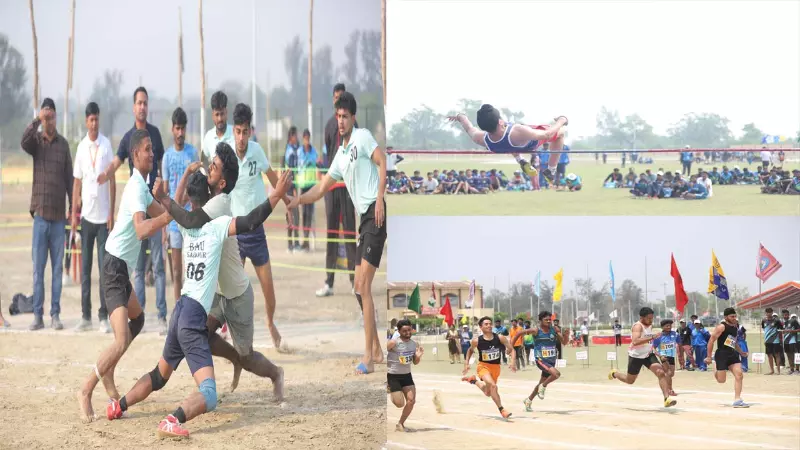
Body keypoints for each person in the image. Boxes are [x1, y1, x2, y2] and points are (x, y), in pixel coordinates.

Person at [106, 169, 292, 438]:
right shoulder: (217, 227)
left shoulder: (183, 223)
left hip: (179, 310)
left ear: (190, 199)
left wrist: (169, 192)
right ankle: (173, 419)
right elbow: (252, 220)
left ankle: (119, 406)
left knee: (159, 375)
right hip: (193, 317)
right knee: (209, 393)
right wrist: (276, 195)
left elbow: (175, 204)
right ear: (209, 197)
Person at [77, 129, 172, 423]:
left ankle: (108, 372)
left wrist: (172, 204)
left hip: (120, 268)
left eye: (152, 149)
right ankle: (86, 389)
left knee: (138, 320)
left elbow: (162, 211)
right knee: (120, 341)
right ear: (134, 155)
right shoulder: (134, 188)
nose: (152, 154)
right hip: (114, 267)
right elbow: (143, 229)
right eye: (147, 149)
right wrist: (168, 216)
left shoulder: (142, 186)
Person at [291, 92, 386, 374]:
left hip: (375, 217)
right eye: (338, 116)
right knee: (358, 288)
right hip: (363, 223)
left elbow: (382, 162)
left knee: (363, 287)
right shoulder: (341, 155)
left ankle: (369, 358)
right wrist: (297, 200)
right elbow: (321, 189)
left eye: (345, 116)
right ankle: (377, 349)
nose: (341, 121)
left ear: (353, 118)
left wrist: (380, 199)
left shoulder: (363, 137)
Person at [97, 86, 168, 334]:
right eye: (139, 102)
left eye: (145, 102)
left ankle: (161, 315)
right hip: (136, 212)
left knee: (158, 266)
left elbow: (161, 167)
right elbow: (116, 162)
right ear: (133, 107)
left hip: (150, 202)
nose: (142, 106)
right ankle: (133, 313)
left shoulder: (155, 133)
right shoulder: (128, 138)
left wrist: (169, 203)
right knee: (137, 269)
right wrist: (106, 174)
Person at [228, 103, 291, 351]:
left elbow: (274, 180)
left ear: (250, 131)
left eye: (245, 132)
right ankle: (230, 331)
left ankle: (270, 322)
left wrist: (288, 202)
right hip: (235, 232)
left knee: (269, 292)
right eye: (238, 132)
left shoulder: (256, 151)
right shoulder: (226, 154)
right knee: (232, 290)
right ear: (233, 131)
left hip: (256, 232)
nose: (241, 138)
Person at [21, 98, 74, 331]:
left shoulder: (63, 145)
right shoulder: (37, 143)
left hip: (59, 219)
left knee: (57, 271)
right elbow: (23, 141)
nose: (49, 121)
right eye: (46, 117)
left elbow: (70, 180)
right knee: (38, 270)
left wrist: (73, 208)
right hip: (41, 217)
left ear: (56, 117)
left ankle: (55, 314)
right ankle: (37, 315)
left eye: (51, 116)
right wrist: (36, 119)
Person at [72, 102, 114, 333]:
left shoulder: (106, 145)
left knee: (104, 269)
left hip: (103, 219)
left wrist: (112, 212)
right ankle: (85, 316)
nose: (94, 123)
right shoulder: (81, 148)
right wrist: (74, 215)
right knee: (86, 269)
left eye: (97, 119)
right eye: (91, 120)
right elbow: (76, 182)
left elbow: (112, 179)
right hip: (87, 218)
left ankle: (103, 316)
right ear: (86, 121)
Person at [447, 105, 568, 178]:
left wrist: (460, 117)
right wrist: (562, 120)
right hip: (529, 142)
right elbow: (547, 134)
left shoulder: (479, 138)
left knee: (506, 142)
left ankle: (520, 159)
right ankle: (551, 170)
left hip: (505, 145)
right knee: (560, 133)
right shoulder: (518, 130)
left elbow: (469, 128)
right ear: (500, 121)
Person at [317, 83, 357, 297]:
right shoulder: (329, 125)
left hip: (348, 186)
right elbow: (328, 152)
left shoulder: (354, 125)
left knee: (349, 233)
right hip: (332, 186)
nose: (338, 100)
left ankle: (355, 281)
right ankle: (329, 282)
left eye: (341, 97)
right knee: (331, 234)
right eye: (336, 98)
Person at [162, 107, 198, 305]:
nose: (180, 133)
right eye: (177, 128)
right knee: (176, 271)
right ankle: (178, 310)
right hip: (174, 222)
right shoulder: (167, 157)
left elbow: (198, 186)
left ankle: (192, 309)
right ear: (172, 129)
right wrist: (164, 226)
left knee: (192, 270)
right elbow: (165, 192)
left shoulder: (192, 153)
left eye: (183, 128)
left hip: (191, 219)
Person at [608, 307, 677, 408]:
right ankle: (614, 374)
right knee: (630, 380)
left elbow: (649, 342)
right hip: (636, 356)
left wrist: (656, 352)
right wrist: (652, 337)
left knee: (660, 372)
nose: (651, 320)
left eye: (652, 318)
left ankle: (667, 399)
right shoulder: (637, 327)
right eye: (649, 318)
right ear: (642, 317)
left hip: (648, 354)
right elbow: (635, 341)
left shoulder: (650, 325)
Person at [510, 311, 570, 411]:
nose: (548, 321)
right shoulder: (536, 330)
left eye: (549, 320)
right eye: (546, 320)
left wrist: (566, 335)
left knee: (541, 382)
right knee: (556, 374)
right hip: (541, 360)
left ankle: (528, 400)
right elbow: (519, 333)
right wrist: (510, 347)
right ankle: (543, 386)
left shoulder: (554, 329)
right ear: (540, 320)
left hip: (551, 361)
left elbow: (564, 342)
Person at [461, 316, 515, 420]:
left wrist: (513, 362)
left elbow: (512, 349)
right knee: (493, 386)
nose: (489, 325)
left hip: (496, 367)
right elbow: (470, 350)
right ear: (481, 327)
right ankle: (502, 410)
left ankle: (473, 381)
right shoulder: (476, 341)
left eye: (490, 324)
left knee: (488, 392)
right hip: (483, 367)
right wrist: (466, 363)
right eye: (486, 324)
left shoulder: (500, 338)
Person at [705, 308, 750, 407]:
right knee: (721, 380)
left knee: (739, 375)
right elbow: (711, 341)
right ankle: (715, 364)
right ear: (726, 317)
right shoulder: (721, 327)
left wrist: (741, 352)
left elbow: (733, 341)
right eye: (732, 316)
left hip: (732, 353)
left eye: (735, 316)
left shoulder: (735, 327)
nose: (734, 318)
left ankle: (737, 400)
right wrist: (708, 357)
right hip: (721, 354)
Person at [387, 319, 424, 432]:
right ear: (399, 331)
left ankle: (400, 424)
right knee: (399, 404)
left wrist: (418, 356)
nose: (407, 332)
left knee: (411, 401)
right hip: (393, 376)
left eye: (409, 330)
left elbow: (415, 362)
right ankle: (389, 387)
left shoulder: (414, 344)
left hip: (407, 376)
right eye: (404, 331)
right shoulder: (393, 343)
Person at [201, 91, 235, 166]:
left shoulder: (236, 133)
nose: (220, 119)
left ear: (226, 112)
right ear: (212, 115)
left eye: (222, 114)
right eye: (217, 114)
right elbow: (203, 160)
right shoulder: (208, 137)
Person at [652, 319, 679, 396]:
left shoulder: (675, 334)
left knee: (671, 374)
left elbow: (679, 343)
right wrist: (660, 356)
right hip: (663, 356)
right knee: (668, 372)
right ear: (662, 327)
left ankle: (664, 382)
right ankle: (670, 390)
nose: (669, 327)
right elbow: (653, 348)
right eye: (667, 326)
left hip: (672, 356)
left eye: (670, 325)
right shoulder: (658, 336)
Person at [761, 309, 783, 375]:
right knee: (769, 355)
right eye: (767, 312)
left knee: (777, 355)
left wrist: (780, 339)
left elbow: (780, 329)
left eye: (770, 312)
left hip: (775, 340)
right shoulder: (763, 320)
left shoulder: (777, 320)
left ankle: (778, 371)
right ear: (765, 313)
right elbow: (764, 329)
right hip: (767, 341)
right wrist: (765, 339)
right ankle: (772, 371)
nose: (769, 314)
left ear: (772, 312)